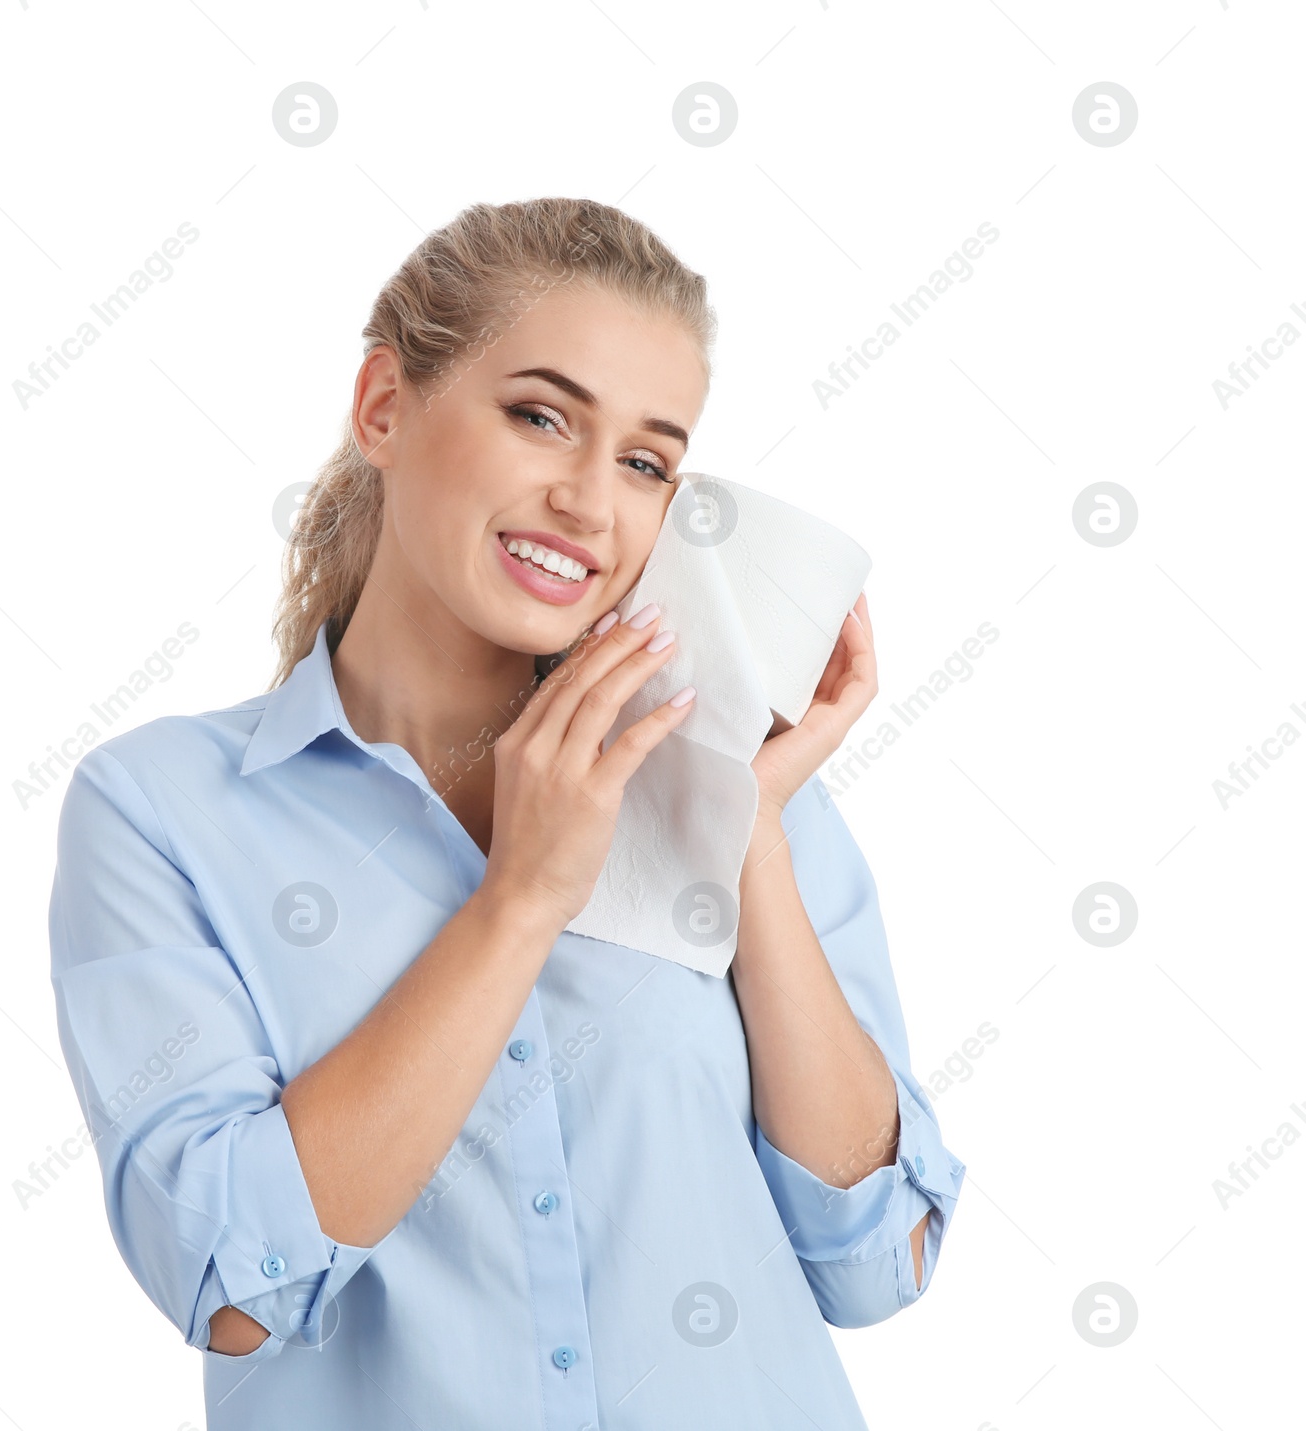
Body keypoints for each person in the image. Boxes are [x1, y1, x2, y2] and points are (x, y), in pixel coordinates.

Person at [48, 196, 965, 1428]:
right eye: (541, 417)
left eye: (645, 463)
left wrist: (738, 827)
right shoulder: (162, 812)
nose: (591, 502)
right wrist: (521, 897)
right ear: (384, 407)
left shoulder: (739, 785)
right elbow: (234, 1284)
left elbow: (876, 1258)